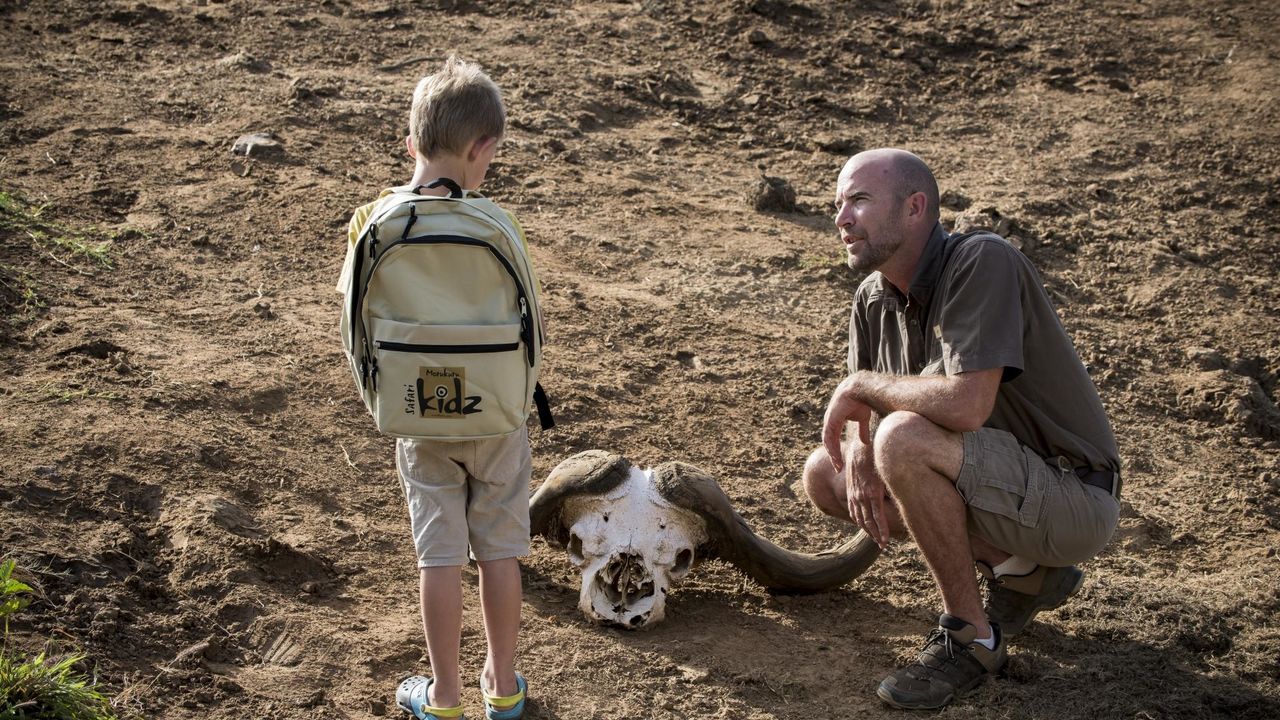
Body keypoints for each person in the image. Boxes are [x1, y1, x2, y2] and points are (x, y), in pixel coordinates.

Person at [801, 148, 1121, 710]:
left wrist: (862, 397)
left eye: (858, 200)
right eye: (837, 205)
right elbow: (862, 412)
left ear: (915, 207)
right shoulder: (871, 298)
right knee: (825, 474)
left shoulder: (981, 259)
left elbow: (966, 404)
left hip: (1071, 494)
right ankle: (1019, 570)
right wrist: (857, 447)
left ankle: (971, 638)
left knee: (900, 439)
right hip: (993, 483)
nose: (841, 218)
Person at [342, 56, 534, 720]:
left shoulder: (374, 222)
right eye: (492, 156)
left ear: (411, 143)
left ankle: (445, 697)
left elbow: (354, 325)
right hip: (497, 414)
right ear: (482, 147)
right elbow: (530, 328)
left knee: (440, 556)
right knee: (501, 550)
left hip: (418, 414)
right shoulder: (497, 224)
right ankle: (503, 688)